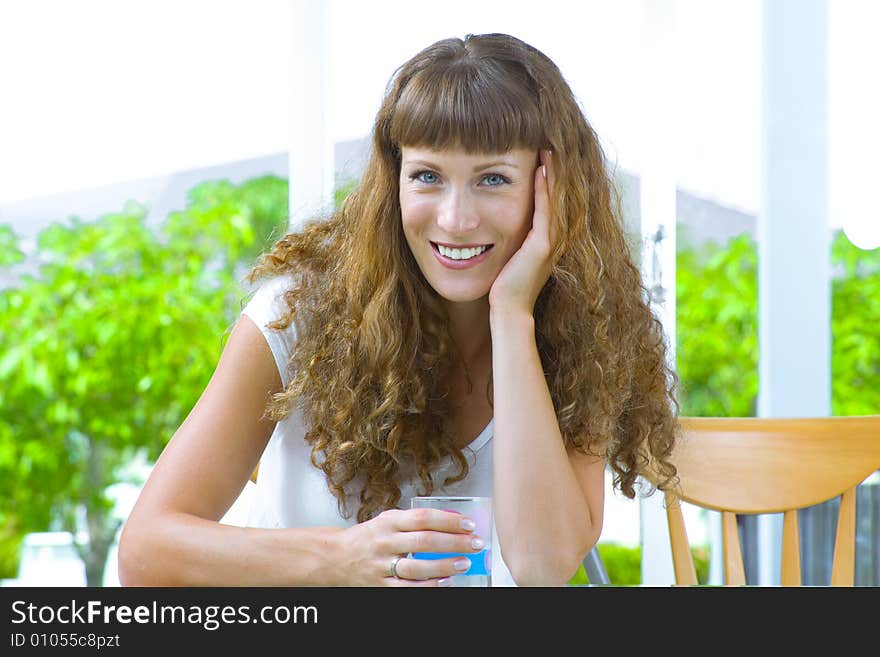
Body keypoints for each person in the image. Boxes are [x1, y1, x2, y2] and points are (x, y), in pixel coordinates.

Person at [118, 32, 679, 587]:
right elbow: (145, 551)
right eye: (428, 177)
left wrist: (512, 316)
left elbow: (542, 567)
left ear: (552, 191)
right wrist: (338, 560)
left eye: (493, 179)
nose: (455, 219)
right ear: (394, 183)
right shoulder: (298, 314)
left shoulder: (584, 334)